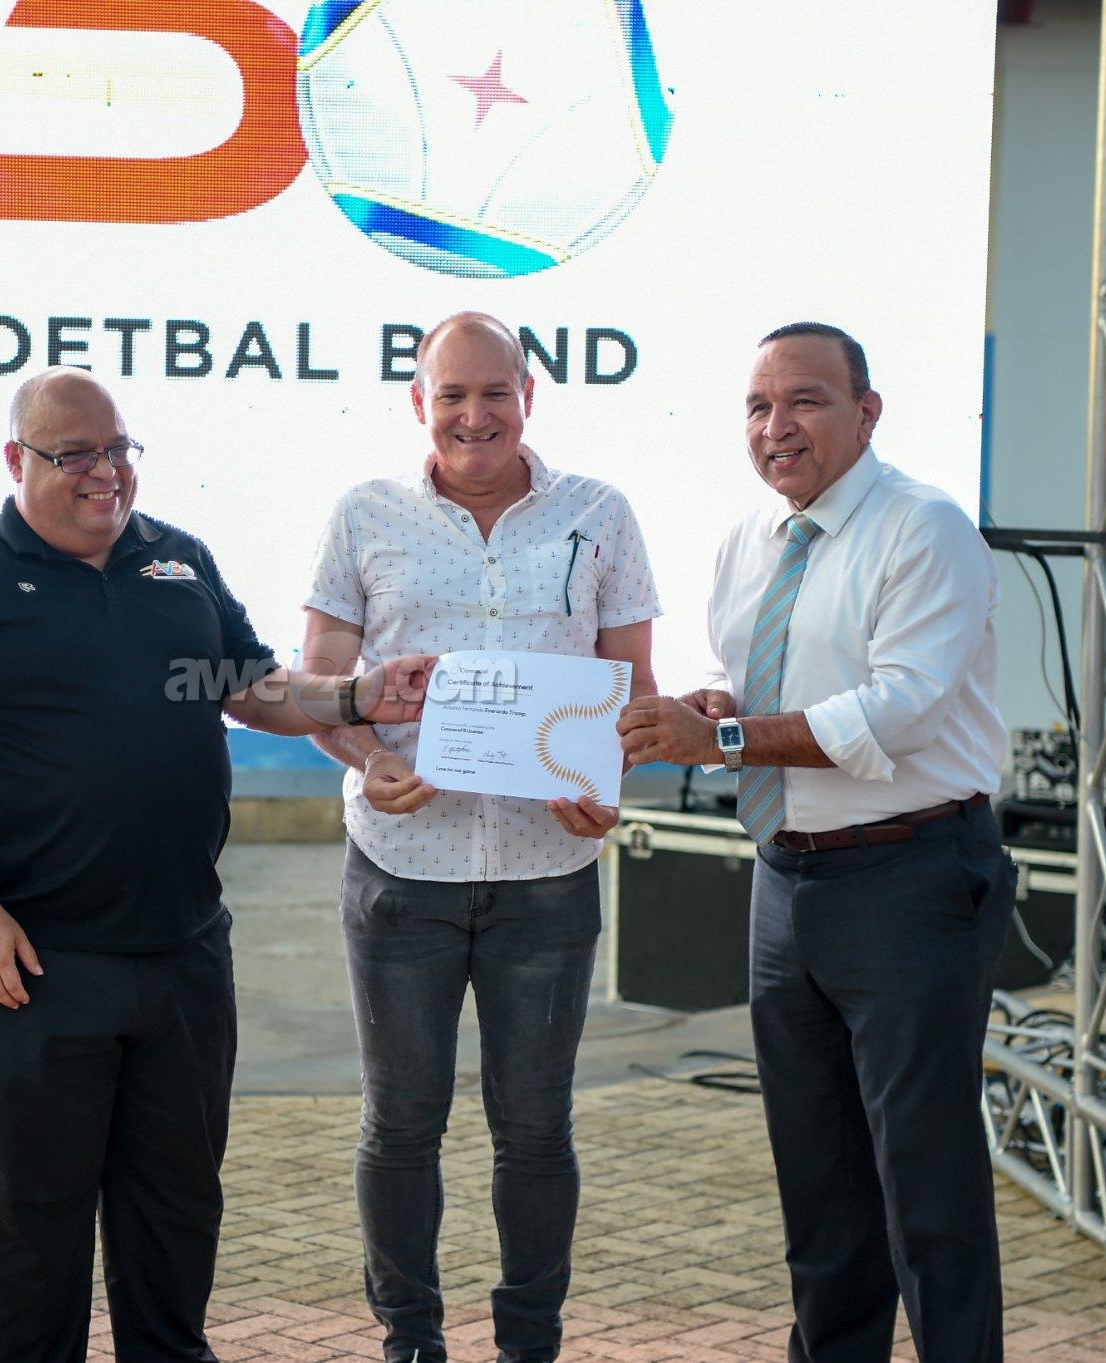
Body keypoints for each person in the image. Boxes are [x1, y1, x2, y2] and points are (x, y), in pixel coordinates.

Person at [0, 367, 433, 1363]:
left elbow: (248, 687)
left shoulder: (178, 562)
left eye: (118, 448)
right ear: (15, 461)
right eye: (73, 454)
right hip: (34, 962)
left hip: (181, 953)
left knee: (174, 1213)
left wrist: (355, 696)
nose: (105, 472)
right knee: (32, 1222)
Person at [618, 322, 1015, 1362]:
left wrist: (724, 738)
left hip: (910, 877)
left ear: (866, 412)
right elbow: (753, 684)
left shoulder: (923, 528)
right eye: (757, 406)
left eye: (804, 400)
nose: (775, 426)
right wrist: (714, 704)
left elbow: (897, 712)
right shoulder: (748, 540)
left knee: (925, 1187)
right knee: (821, 1186)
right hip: (785, 882)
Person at [301, 311, 661, 1363]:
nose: (473, 415)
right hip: (401, 872)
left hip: (548, 873)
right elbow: (318, 685)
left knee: (537, 1127)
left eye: (494, 392)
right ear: (418, 402)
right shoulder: (363, 515)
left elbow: (635, 691)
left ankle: (528, 1342)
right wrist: (367, 757)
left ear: (527, 397)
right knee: (400, 1123)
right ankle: (410, 1338)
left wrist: (608, 777)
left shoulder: (600, 514)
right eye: (450, 394)